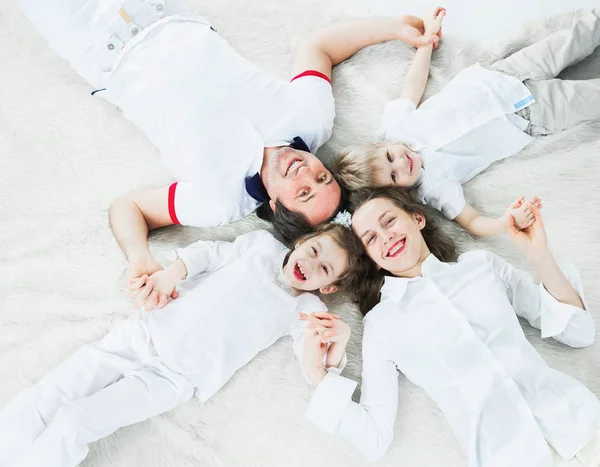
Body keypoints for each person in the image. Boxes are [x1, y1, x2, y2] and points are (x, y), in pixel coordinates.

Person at [19, 0, 444, 281]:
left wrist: (139, 258)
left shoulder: (218, 200)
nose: (307, 173)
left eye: (303, 192)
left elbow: (128, 206)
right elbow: (319, 47)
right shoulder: (311, 121)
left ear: (276, 206)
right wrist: (393, 29)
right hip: (164, 12)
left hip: (101, 48)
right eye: (323, 179)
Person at [0, 222, 366, 467]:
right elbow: (208, 254)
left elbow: (313, 367)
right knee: (51, 393)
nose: (310, 264)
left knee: (76, 422)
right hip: (142, 334)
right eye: (314, 251)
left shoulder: (306, 309)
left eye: (324, 270)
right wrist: (171, 273)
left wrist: (336, 343)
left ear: (328, 287)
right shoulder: (261, 246)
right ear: (302, 241)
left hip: (172, 379)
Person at [301, 187, 600, 466]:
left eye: (389, 220)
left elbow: (579, 333)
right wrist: (318, 373)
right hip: (506, 456)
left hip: (580, 421)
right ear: (373, 261)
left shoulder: (481, 265)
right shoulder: (381, 324)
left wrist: (538, 255)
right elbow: (375, 437)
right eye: (371, 238)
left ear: (417, 218)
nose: (386, 237)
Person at [334, 8, 600, 237]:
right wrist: (505, 222)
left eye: (390, 156)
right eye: (394, 175)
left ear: (382, 144)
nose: (402, 163)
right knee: (591, 98)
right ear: (395, 193)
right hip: (531, 116)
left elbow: (413, 85)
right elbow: (472, 221)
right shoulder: (433, 188)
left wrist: (426, 41)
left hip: (502, 75)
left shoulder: (394, 127)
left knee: (577, 35)